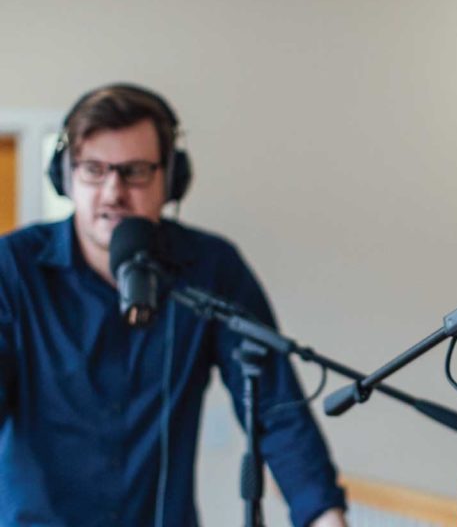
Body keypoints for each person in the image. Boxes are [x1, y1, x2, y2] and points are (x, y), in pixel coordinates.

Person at [0, 84, 348, 526]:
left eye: (135, 171)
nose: (113, 192)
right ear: (65, 175)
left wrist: (325, 516)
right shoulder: (13, 267)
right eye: (93, 169)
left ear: (172, 180)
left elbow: (276, 411)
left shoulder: (210, 268)